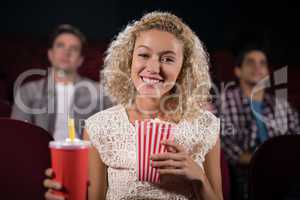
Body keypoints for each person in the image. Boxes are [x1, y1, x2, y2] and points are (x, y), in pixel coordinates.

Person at [44, 12, 223, 200]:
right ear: (129, 60)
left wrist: (199, 178)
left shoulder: (206, 126)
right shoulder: (98, 126)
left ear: (184, 67)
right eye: (144, 55)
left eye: (168, 59)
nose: (153, 68)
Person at [215, 46, 300, 199]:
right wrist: (266, 161)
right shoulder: (224, 101)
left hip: (287, 174)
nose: (257, 67)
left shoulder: (280, 104)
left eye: (262, 63)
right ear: (238, 71)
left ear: (267, 72)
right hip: (246, 176)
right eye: (250, 62)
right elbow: (225, 147)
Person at [11, 24, 113, 140]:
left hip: (84, 155)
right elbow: (17, 135)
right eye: (60, 46)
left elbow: (113, 132)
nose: (66, 53)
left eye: (73, 49)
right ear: (50, 54)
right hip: (41, 154)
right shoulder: (28, 91)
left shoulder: (99, 92)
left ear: (80, 60)